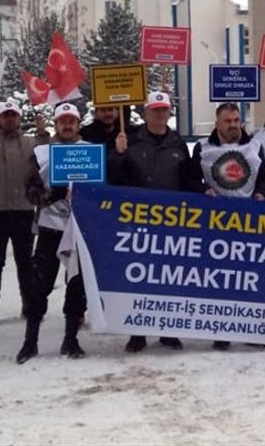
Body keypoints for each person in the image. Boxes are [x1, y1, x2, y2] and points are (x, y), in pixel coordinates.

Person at [109, 90, 205, 352]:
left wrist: (203, 194)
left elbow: (187, 181)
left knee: (169, 278)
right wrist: (117, 154)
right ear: (145, 113)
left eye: (164, 110)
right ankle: (137, 332)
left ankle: (169, 329)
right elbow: (113, 180)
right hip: (138, 221)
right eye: (155, 110)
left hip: (171, 222)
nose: (160, 114)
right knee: (139, 277)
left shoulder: (177, 144)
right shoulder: (130, 140)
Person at [192, 102, 265, 351]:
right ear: (217, 124)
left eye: (236, 120)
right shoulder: (202, 148)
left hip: (248, 225)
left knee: (248, 279)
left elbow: (264, 177)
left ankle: (251, 329)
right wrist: (202, 189)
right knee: (220, 280)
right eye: (228, 121)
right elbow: (190, 176)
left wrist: (260, 192)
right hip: (216, 225)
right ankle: (221, 330)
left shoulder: (254, 146)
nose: (233, 125)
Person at [17, 103, 90, 364]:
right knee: (40, 286)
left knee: (76, 286)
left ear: (78, 124)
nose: (67, 125)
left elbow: (102, 188)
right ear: (55, 124)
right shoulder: (42, 153)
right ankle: (30, 341)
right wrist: (51, 196)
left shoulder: (91, 152)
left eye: (71, 121)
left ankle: (71, 338)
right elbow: (30, 190)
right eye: (62, 121)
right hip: (50, 227)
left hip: (80, 230)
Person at [0, 100, 49, 326]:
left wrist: (43, 133)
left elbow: (47, 158)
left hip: (23, 210)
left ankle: (28, 304)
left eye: (13, 115)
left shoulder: (29, 142)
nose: (9, 119)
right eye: (5, 115)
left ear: (19, 118)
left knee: (25, 262)